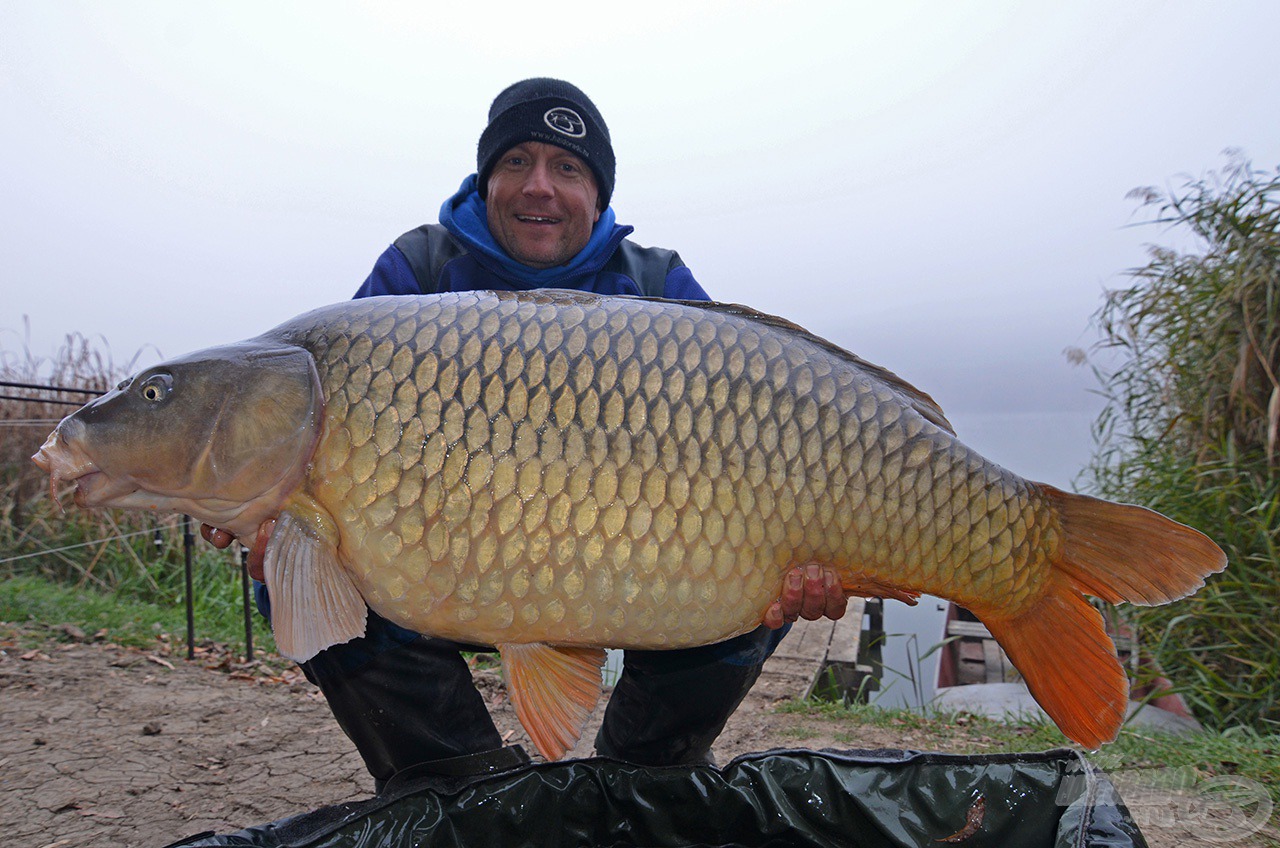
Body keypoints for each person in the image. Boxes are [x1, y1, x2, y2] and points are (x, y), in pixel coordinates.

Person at [205, 78, 847, 788]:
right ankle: (456, 785)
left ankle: (647, 775)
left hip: (639, 568)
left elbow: (759, 438)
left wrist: (803, 560)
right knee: (293, 571)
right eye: (516, 163)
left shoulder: (658, 284)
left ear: (598, 194)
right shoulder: (418, 271)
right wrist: (244, 497)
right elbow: (320, 441)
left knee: (761, 578)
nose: (539, 186)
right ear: (486, 181)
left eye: (567, 168)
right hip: (446, 569)